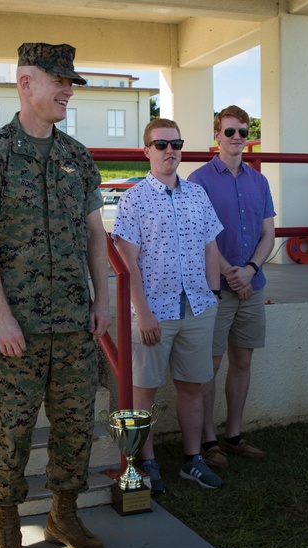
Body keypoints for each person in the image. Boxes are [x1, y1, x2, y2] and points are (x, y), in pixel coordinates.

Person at [0, 43, 110, 548]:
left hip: (74, 322)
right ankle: (6, 527)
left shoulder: (78, 156)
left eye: (71, 81)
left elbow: (96, 236)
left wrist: (104, 300)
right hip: (15, 328)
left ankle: (63, 516)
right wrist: (1, 314)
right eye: (59, 81)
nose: (68, 90)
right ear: (26, 83)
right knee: (10, 429)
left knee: (74, 426)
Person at [112, 118, 224, 494]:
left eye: (175, 143)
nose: (170, 150)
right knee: (144, 391)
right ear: (146, 151)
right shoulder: (133, 199)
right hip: (154, 312)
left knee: (193, 386)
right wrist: (141, 311)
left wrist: (213, 294)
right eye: (161, 145)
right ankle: (146, 463)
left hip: (197, 307)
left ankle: (192, 460)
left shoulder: (197, 195)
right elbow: (128, 262)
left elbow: (211, 245)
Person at [187, 105, 275, 469]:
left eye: (242, 131)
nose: (237, 137)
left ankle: (233, 435)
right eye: (229, 132)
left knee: (242, 359)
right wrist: (229, 273)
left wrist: (250, 270)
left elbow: (268, 234)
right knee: (210, 364)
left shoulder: (260, 181)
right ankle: (208, 441)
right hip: (216, 290)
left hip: (252, 286)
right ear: (216, 135)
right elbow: (199, 237)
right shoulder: (198, 180)